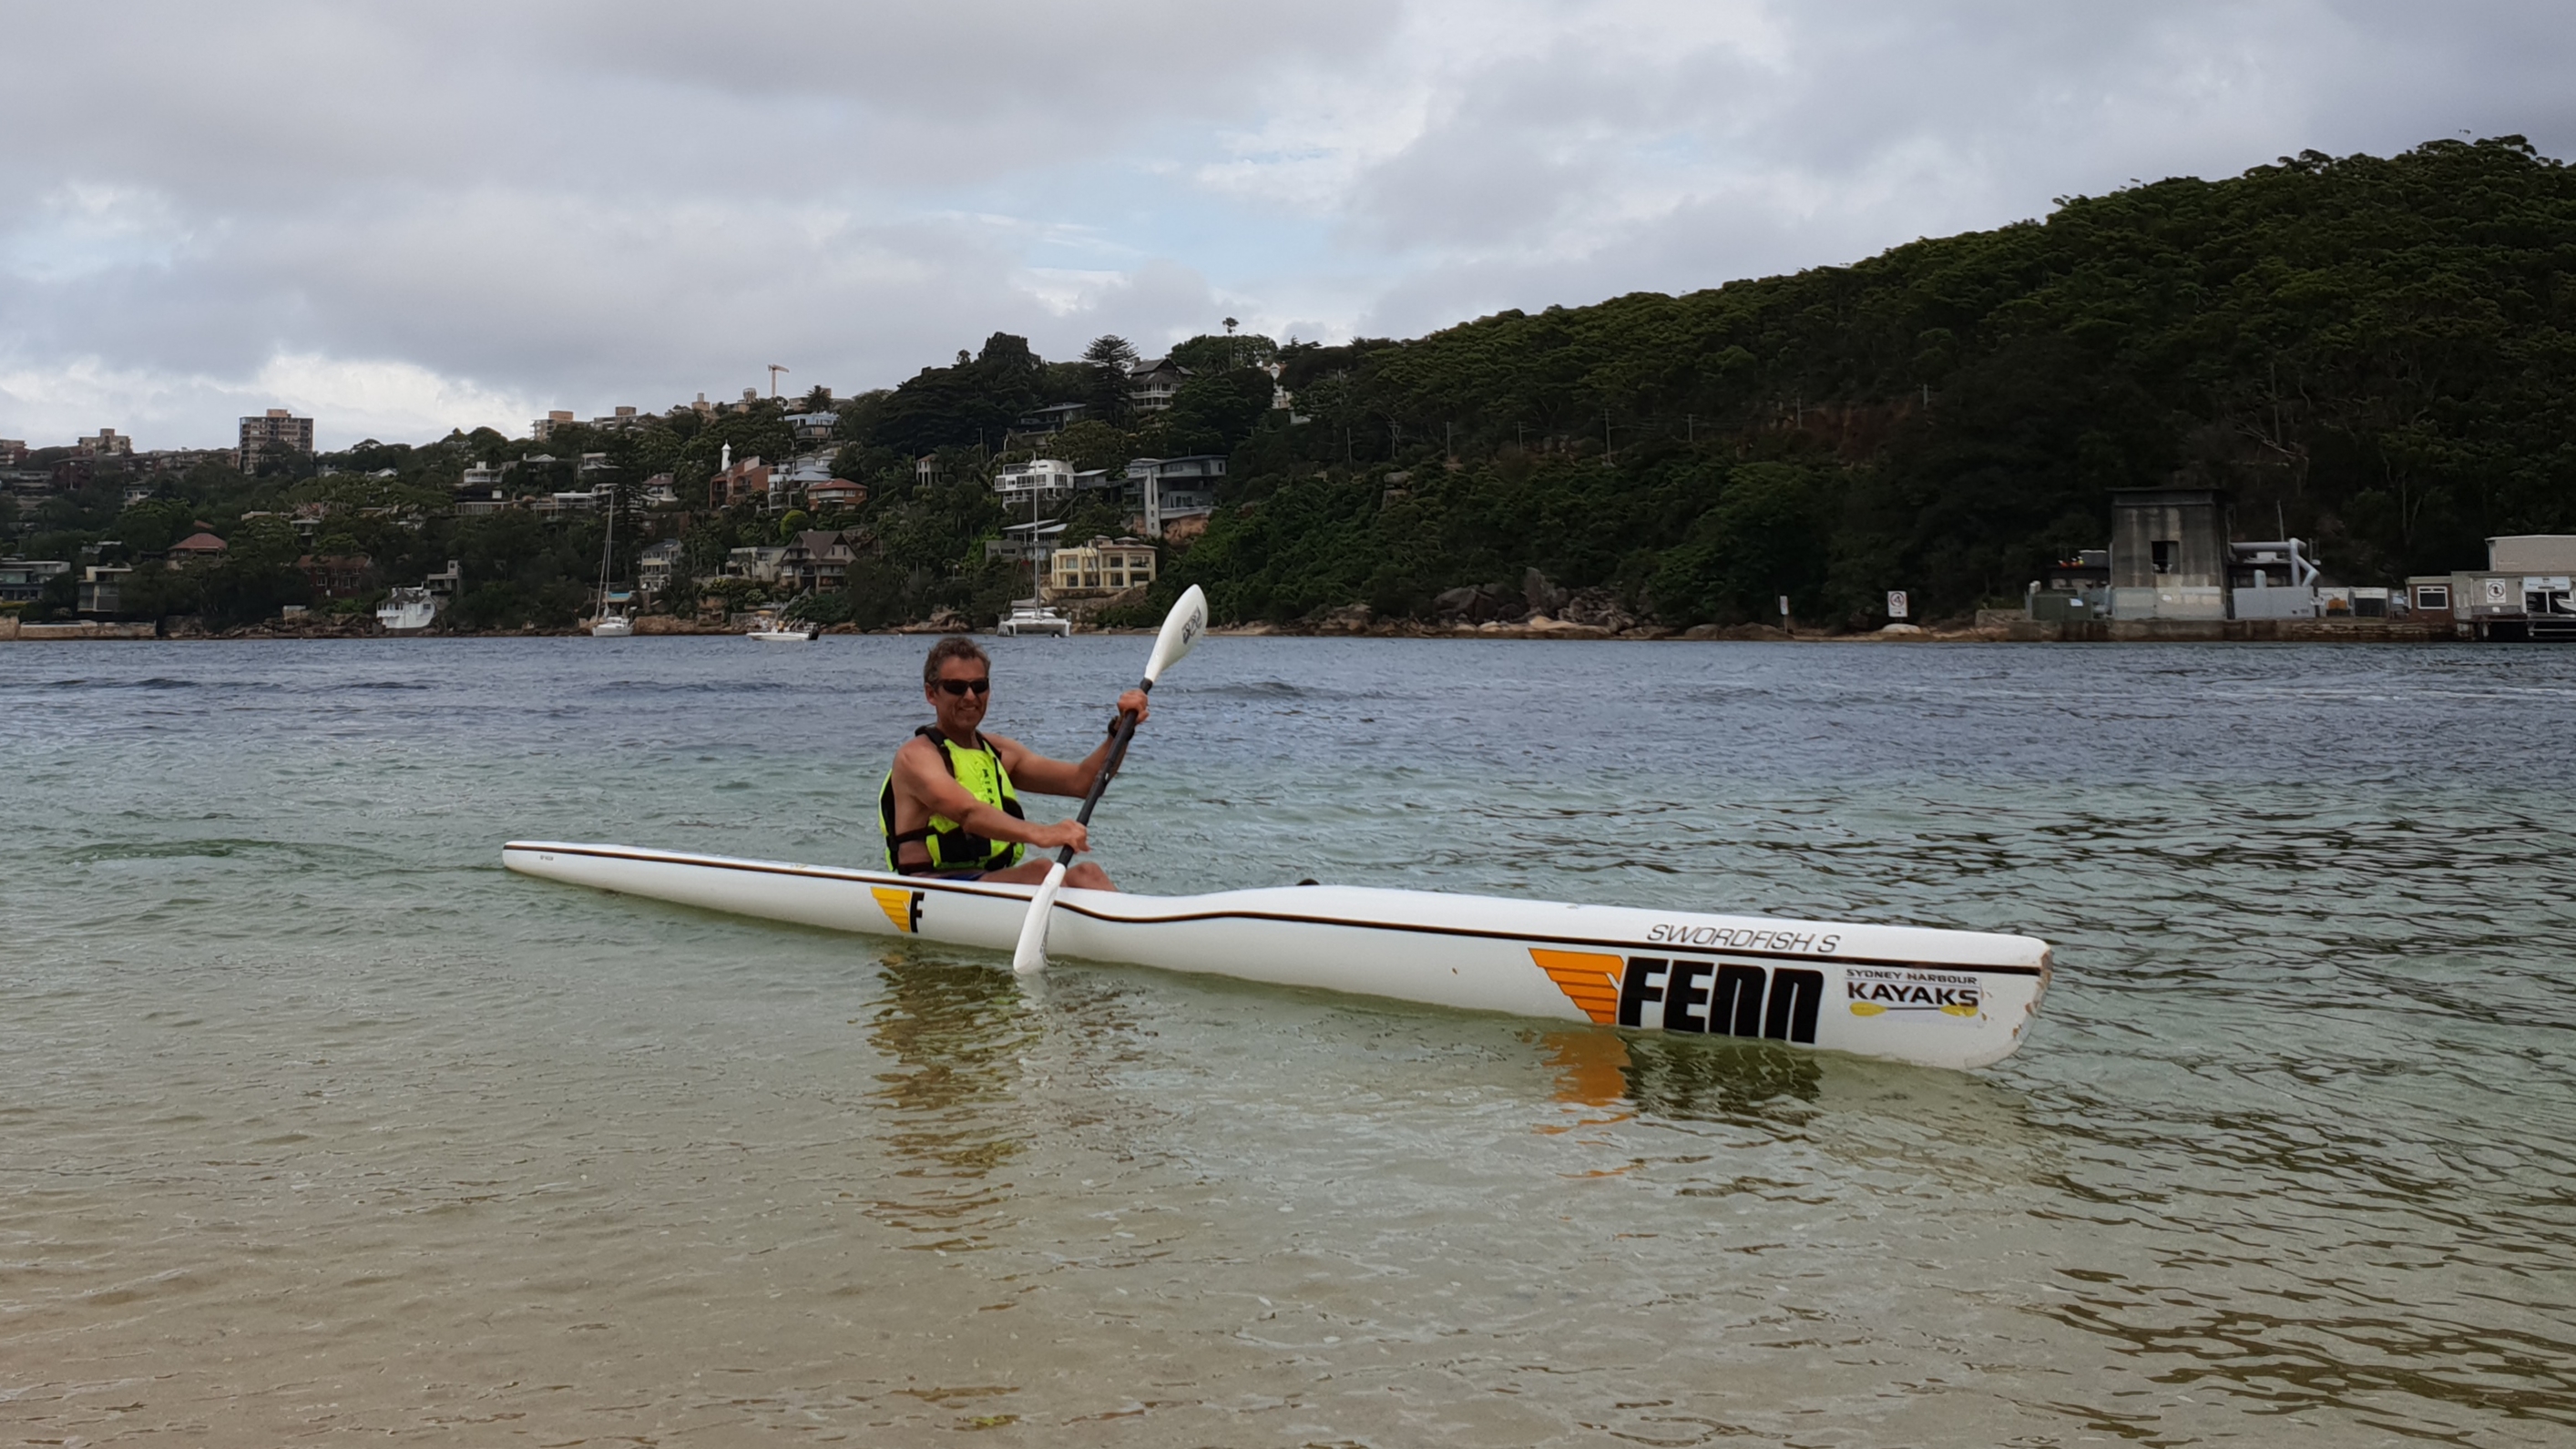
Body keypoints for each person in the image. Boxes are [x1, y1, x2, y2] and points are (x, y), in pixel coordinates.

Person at [878, 635, 1150, 888]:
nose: (970, 697)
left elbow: (1084, 782)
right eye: (956, 687)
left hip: (988, 878)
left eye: (979, 686)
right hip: (932, 884)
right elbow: (968, 814)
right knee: (1042, 870)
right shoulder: (916, 757)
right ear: (931, 694)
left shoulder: (1000, 752)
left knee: (1087, 873)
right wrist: (1041, 833)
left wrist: (1120, 731)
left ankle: (1141, 932)